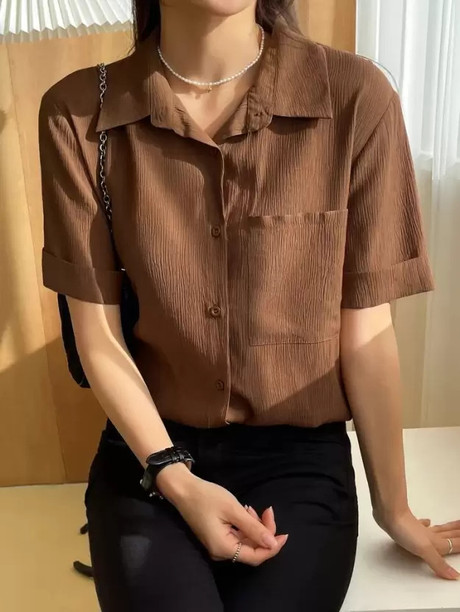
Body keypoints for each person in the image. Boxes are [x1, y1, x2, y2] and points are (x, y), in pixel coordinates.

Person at [37, 1, 460, 610]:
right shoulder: (79, 114)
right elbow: (96, 335)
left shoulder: (354, 98)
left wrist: (394, 508)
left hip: (298, 460)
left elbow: (367, 333)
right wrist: (176, 479)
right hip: (149, 456)